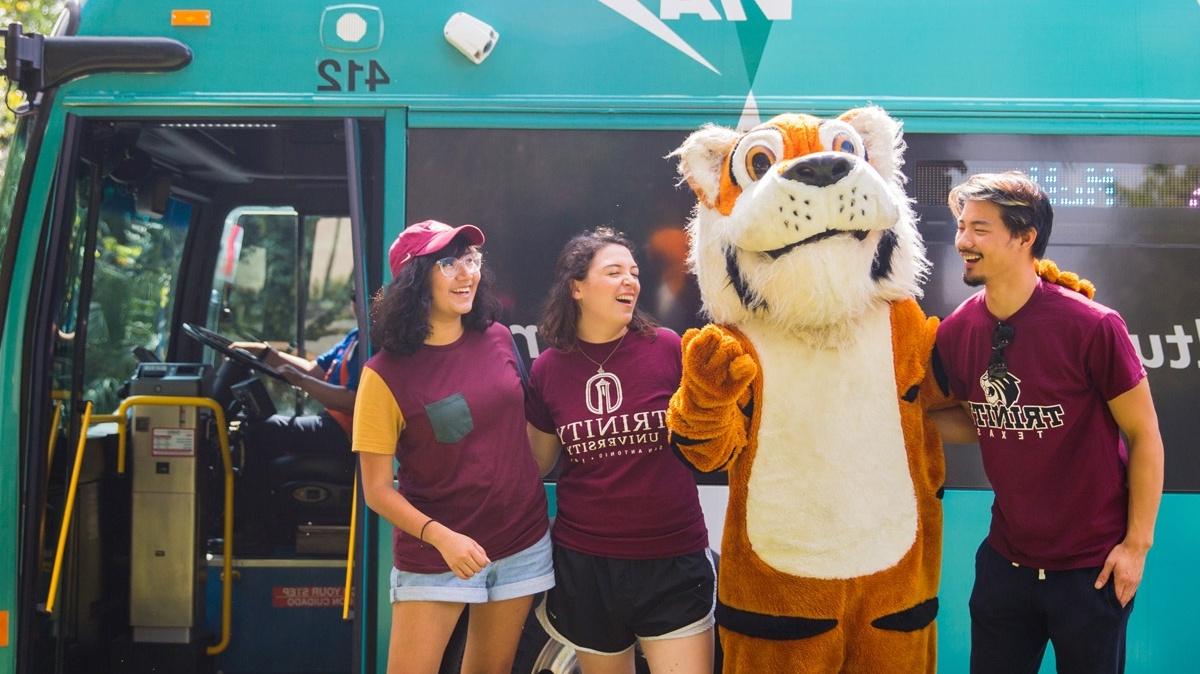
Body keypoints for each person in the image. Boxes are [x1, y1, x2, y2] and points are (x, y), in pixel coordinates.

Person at [935, 171, 1164, 674]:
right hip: (1004, 567)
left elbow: (1144, 433)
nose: (962, 242)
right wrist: (903, 423)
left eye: (980, 229)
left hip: (1092, 572)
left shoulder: (1093, 326)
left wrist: (1136, 547)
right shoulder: (956, 332)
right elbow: (981, 420)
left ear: (1025, 236)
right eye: (961, 227)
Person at [352, 220, 552, 674]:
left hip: (520, 544)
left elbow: (519, 434)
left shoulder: (499, 337)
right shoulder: (383, 375)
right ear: (413, 281)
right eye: (448, 263)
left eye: (471, 260)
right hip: (437, 556)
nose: (466, 274)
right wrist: (442, 538)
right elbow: (377, 490)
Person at [525, 227, 714, 674]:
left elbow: (706, 439)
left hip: (672, 559)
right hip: (586, 565)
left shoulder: (668, 348)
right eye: (613, 272)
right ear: (576, 287)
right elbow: (538, 462)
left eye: (632, 272)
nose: (630, 281)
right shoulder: (548, 369)